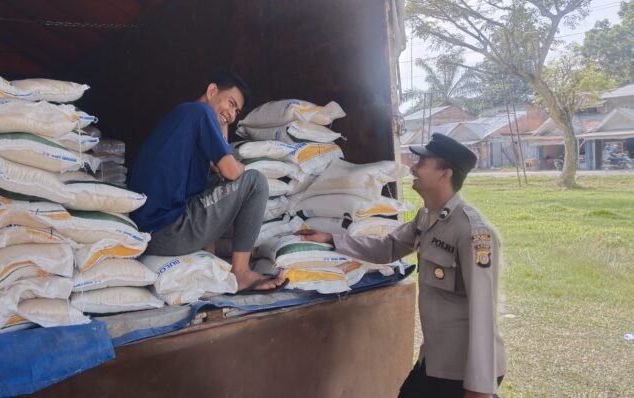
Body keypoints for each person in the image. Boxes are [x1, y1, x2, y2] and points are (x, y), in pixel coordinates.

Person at [298, 133, 505, 397]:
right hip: (434, 360)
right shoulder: (427, 217)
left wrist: (479, 388)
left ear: (445, 174)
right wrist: (332, 239)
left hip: (463, 371)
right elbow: (389, 247)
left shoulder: (473, 232)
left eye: (423, 162)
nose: (413, 168)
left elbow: (483, 314)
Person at [128, 71, 286, 293]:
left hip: (151, 233)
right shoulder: (199, 112)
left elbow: (216, 171)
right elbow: (231, 171)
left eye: (236, 112)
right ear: (212, 91)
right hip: (167, 230)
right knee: (255, 182)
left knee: (212, 180)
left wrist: (223, 120)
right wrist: (241, 167)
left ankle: (211, 256)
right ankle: (241, 272)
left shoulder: (184, 116)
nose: (232, 115)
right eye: (231, 103)